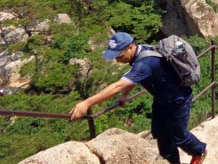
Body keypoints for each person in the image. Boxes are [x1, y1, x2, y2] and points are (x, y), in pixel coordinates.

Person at [69, 32, 207, 164]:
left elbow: (118, 85)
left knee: (179, 136)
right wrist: (125, 95)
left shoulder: (145, 63)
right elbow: (133, 78)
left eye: (119, 55)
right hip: (162, 99)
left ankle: (199, 151)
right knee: (160, 134)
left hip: (178, 100)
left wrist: (87, 103)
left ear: (130, 47)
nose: (117, 60)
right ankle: (173, 161)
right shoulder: (142, 51)